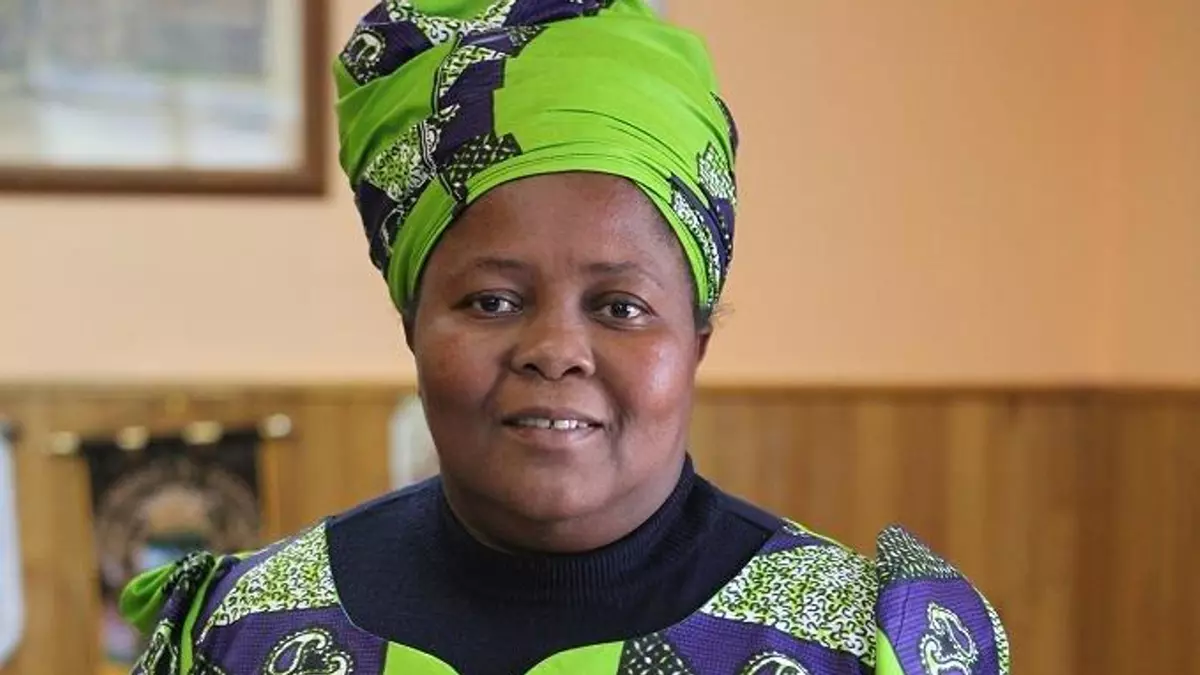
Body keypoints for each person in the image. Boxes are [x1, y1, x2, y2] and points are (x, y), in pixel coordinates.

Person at [121, 1, 1010, 674]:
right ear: (412, 326)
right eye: (492, 301)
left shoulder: (855, 647)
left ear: (696, 341)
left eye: (620, 307)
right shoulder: (245, 634)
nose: (555, 348)